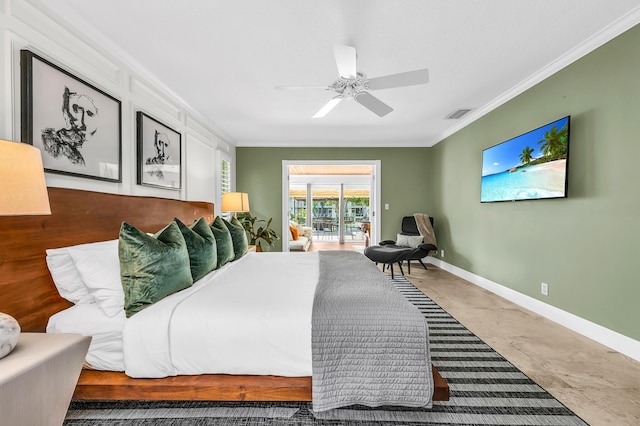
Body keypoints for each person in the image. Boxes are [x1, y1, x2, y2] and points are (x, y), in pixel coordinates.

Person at [41, 86, 98, 165]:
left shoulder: (94, 147)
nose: (83, 121)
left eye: (90, 114)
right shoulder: (55, 144)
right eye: (77, 110)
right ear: (66, 115)